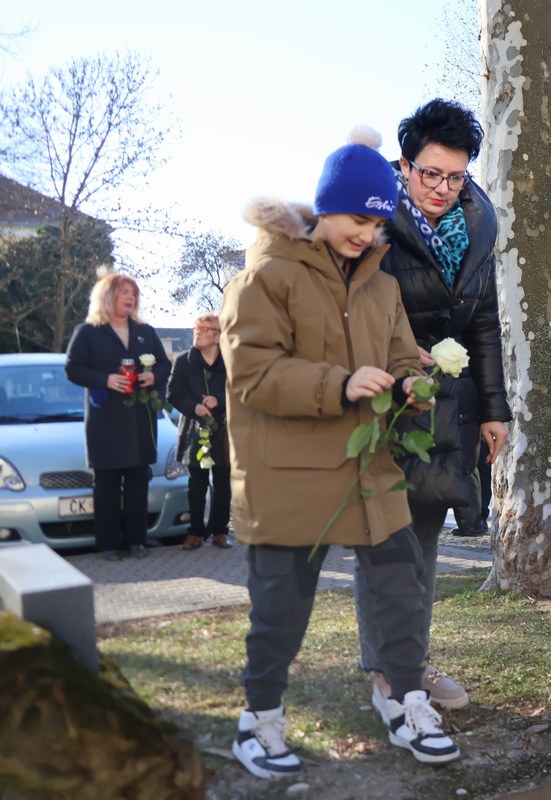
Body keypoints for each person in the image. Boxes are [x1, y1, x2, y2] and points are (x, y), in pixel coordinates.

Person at [222, 126, 459, 778]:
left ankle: (408, 701)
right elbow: (253, 375)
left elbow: (393, 357)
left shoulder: (382, 286)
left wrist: (412, 386)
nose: (365, 233)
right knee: (281, 608)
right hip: (287, 474)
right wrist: (341, 383)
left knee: (399, 589)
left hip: (368, 467)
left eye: (378, 222)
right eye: (357, 217)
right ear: (326, 207)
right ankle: (259, 719)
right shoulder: (266, 276)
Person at [353, 98, 511, 712]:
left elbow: (487, 325)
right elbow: (346, 312)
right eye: (429, 174)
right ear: (405, 165)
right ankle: (390, 674)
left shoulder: (478, 228)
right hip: (387, 405)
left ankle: (412, 661)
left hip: (450, 409)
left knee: (423, 539)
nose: (442, 188)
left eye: (455, 175)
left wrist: (495, 410)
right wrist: (396, 356)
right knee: (386, 544)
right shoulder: (375, 224)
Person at [65, 273, 170, 562]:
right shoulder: (87, 332)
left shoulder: (145, 332)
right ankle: (108, 545)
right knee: (108, 486)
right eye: (124, 292)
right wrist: (105, 379)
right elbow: (73, 369)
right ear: (107, 296)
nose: (130, 298)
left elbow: (164, 365)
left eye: (133, 294)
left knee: (138, 484)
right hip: (106, 423)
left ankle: (137, 541)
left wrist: (153, 375)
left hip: (139, 420)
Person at [166, 313, 232, 550]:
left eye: (204, 329)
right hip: (196, 430)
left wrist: (220, 401)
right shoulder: (184, 361)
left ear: (217, 336)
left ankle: (220, 532)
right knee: (197, 483)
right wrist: (193, 406)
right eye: (196, 328)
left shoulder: (230, 361)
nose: (198, 332)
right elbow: (172, 393)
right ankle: (195, 532)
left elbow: (239, 390)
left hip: (223, 430)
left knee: (224, 482)